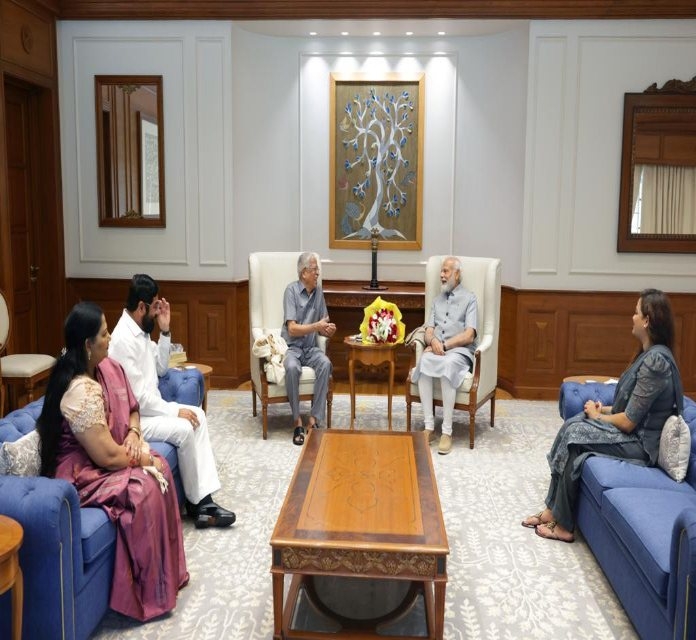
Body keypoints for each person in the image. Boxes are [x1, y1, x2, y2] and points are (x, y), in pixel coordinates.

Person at [37, 302, 188, 621]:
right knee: (143, 487)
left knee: (159, 467)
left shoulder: (108, 369)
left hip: (110, 455)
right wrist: (141, 458)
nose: (110, 339)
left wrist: (134, 433)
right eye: (104, 334)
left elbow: (132, 408)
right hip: (81, 472)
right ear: (87, 345)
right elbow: (106, 456)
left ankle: (168, 579)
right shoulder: (80, 390)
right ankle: (146, 595)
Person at [522, 289, 682, 543]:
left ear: (647, 320)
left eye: (636, 312)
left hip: (640, 445)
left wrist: (598, 417)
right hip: (632, 434)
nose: (632, 317)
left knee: (575, 434)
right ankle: (553, 510)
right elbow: (630, 407)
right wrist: (602, 410)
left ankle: (563, 526)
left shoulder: (656, 363)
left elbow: (628, 422)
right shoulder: (648, 355)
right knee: (575, 424)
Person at [108, 274, 235, 529]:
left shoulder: (141, 330)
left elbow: (161, 368)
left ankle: (203, 500)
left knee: (198, 415)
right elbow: (138, 400)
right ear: (141, 307)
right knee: (185, 428)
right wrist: (173, 411)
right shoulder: (123, 340)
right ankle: (199, 505)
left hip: (152, 409)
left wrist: (165, 331)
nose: (157, 312)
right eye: (155, 307)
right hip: (137, 420)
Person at [412, 256, 478, 455]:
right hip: (438, 349)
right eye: (441, 271)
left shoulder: (470, 298)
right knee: (424, 361)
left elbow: (469, 335)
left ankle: (447, 432)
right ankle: (429, 427)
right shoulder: (437, 301)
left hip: (459, 351)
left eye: (446, 271)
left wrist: (444, 345)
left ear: (456, 274)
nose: (441, 275)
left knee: (447, 365)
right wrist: (432, 341)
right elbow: (429, 330)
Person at [281, 251, 336, 445]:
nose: (317, 273)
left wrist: (328, 330)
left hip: (311, 348)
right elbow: (292, 329)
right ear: (304, 273)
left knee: (325, 364)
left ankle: (313, 419)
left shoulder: (319, 292)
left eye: (317, 269)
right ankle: (297, 420)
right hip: (292, 347)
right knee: (291, 368)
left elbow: (323, 325)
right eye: (314, 270)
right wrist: (316, 326)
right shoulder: (291, 291)